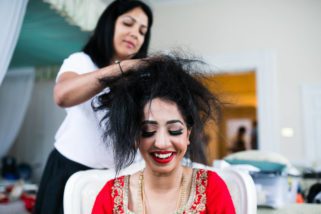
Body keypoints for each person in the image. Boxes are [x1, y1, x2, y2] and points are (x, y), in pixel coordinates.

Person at [33, 1, 153, 213]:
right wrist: (121, 68)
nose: (135, 34)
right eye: (128, 23)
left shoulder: (141, 80)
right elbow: (62, 95)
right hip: (68, 171)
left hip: (114, 179)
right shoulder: (81, 62)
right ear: (109, 25)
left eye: (142, 31)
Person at [92, 54, 236, 213]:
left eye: (174, 130)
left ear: (188, 134)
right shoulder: (110, 196)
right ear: (134, 136)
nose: (161, 143)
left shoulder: (212, 189)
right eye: (149, 131)